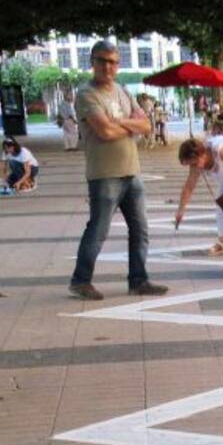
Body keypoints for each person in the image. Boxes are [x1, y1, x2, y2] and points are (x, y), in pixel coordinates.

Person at [68, 40, 166, 301]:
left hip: (131, 171)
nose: (107, 67)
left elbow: (146, 125)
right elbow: (104, 131)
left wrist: (120, 122)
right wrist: (129, 125)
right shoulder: (87, 94)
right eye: (102, 61)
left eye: (112, 62)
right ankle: (80, 281)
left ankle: (138, 280)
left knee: (140, 230)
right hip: (104, 173)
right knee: (98, 230)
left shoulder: (122, 91)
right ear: (93, 63)